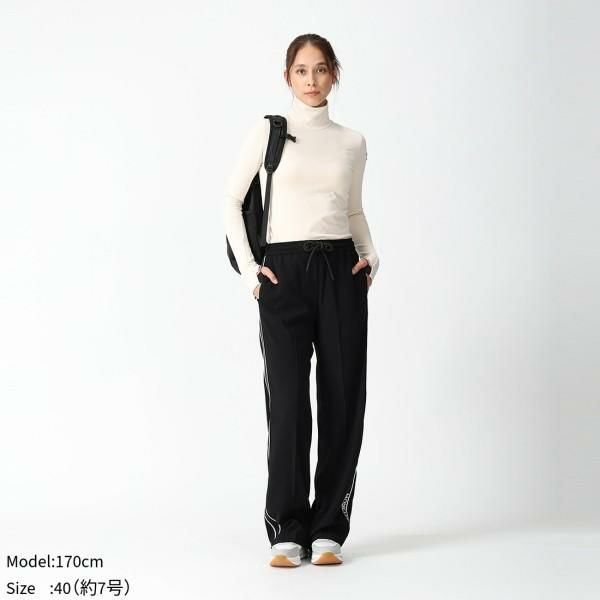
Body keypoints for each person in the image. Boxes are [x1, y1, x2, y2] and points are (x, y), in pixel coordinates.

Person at [223, 33, 380, 567]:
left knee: (343, 399)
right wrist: (251, 273)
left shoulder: (353, 142)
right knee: (288, 403)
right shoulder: (268, 132)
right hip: (283, 274)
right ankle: (287, 528)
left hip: (340, 270)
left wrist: (370, 256)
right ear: (287, 76)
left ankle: (329, 527)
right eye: (301, 71)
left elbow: (352, 209)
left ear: (334, 73)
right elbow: (231, 200)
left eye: (320, 69)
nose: (311, 80)